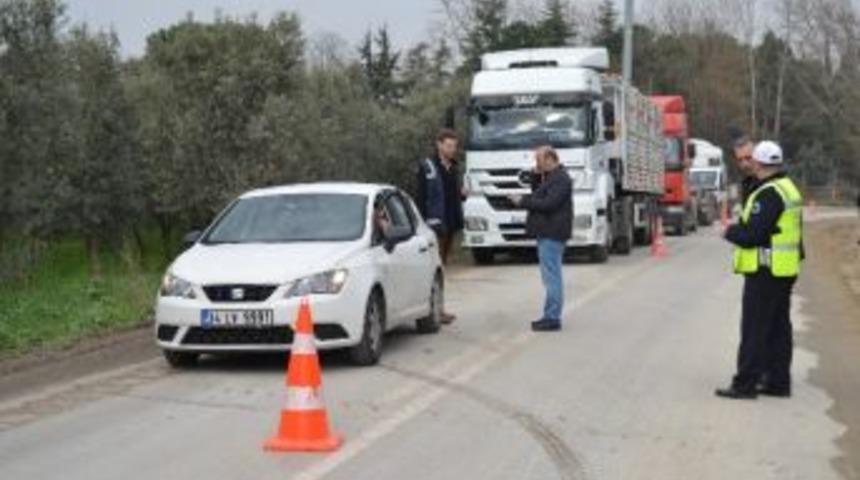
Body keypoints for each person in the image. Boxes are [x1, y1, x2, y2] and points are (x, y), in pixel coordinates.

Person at [716, 141, 804, 399]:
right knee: (778, 328)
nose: (748, 164)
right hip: (783, 269)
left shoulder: (768, 193)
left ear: (760, 163)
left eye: (751, 160)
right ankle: (778, 382)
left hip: (766, 269)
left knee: (754, 329)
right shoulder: (787, 188)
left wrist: (727, 231)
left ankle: (745, 384)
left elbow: (753, 234)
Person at [510, 146, 573, 332]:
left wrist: (522, 201)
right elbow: (538, 193)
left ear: (550, 159)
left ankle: (552, 317)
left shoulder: (561, 179)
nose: (536, 164)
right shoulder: (552, 177)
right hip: (547, 232)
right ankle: (549, 315)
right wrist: (537, 176)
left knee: (552, 277)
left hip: (552, 233)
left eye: (539, 160)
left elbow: (548, 204)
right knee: (550, 276)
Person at [416, 128, 465, 324]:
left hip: (451, 224)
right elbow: (421, 197)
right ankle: (431, 311)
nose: (452, 150)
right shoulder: (427, 167)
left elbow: (452, 195)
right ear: (439, 145)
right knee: (433, 269)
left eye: (454, 146)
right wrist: (422, 224)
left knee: (442, 268)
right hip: (435, 227)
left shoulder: (453, 167)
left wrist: (462, 194)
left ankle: (439, 309)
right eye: (449, 146)